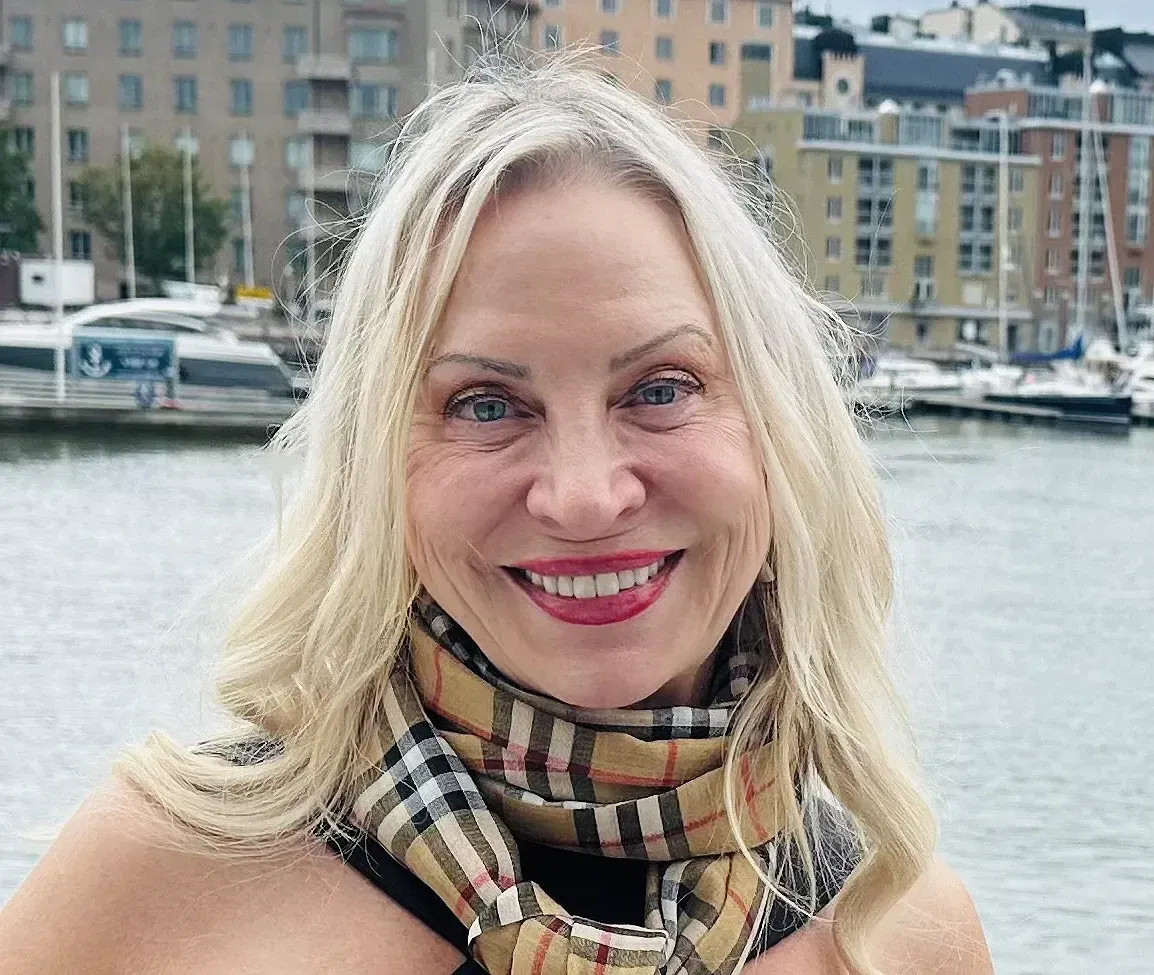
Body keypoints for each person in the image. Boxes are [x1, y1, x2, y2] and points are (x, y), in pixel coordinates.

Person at [0, 56, 992, 975]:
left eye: (659, 389)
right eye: (483, 405)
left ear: (781, 430)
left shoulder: (898, 926)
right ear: (377, 468)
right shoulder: (164, 875)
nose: (583, 496)